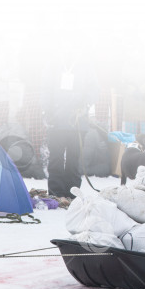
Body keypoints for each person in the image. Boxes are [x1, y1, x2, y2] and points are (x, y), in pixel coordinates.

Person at [41, 39, 98, 198]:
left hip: (78, 121)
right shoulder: (53, 64)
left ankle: (72, 192)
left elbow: (94, 89)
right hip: (56, 120)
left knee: (74, 158)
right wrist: (47, 111)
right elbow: (45, 89)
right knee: (56, 157)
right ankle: (56, 192)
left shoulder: (86, 65)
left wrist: (85, 104)